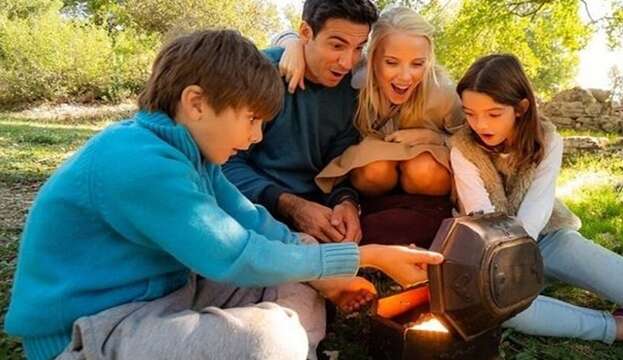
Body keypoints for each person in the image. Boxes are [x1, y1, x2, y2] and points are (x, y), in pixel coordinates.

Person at [3, 30, 445, 360]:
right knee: (271, 339)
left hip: (168, 296)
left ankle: (290, 339)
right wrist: (362, 256)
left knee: (300, 260)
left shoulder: (193, 156)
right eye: (251, 119)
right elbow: (236, 256)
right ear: (196, 103)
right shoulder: (136, 161)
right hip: (92, 330)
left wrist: (319, 270)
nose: (255, 138)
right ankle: (288, 342)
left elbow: (253, 221)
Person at [451, 53, 623, 348]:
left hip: (550, 238)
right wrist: (504, 271)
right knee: (502, 311)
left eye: (493, 113)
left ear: (521, 108)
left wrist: (523, 257)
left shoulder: (548, 139)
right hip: (492, 255)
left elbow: (538, 207)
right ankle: (619, 327)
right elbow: (481, 215)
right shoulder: (462, 148)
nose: (479, 124)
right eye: (470, 113)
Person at [273, 6, 465, 247]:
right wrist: (292, 45)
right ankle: (380, 216)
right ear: (373, 57)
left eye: (417, 64)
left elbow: (470, 140)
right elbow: (301, 37)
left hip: (427, 172)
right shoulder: (354, 75)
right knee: (374, 169)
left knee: (422, 168)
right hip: (375, 170)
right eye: (392, 62)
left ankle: (422, 220)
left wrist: (434, 138)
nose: (405, 77)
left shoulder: (443, 93)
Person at [223, 0, 379, 244]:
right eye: (337, 45)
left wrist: (346, 202)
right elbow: (224, 165)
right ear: (306, 33)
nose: (348, 62)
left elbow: (337, 167)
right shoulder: (259, 76)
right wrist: (291, 206)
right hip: (251, 207)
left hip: (318, 214)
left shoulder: (353, 91)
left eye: (359, 48)